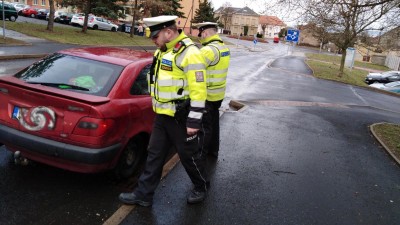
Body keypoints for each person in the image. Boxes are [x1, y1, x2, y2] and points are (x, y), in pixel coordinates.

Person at [119, 15, 208, 206]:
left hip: (181, 117)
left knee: (188, 156)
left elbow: (199, 90)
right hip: (163, 115)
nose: (153, 40)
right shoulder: (162, 51)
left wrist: (194, 122)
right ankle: (143, 195)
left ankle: (201, 186)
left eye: (155, 36)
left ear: (168, 32)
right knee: (154, 154)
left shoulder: (190, 53)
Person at [193, 22, 230, 158]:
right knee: (214, 124)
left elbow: (195, 71)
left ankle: (201, 156)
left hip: (207, 95)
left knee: (204, 128)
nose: (201, 37)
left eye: (201, 34)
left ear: (206, 33)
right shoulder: (224, 48)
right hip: (219, 94)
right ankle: (213, 151)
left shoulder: (208, 50)